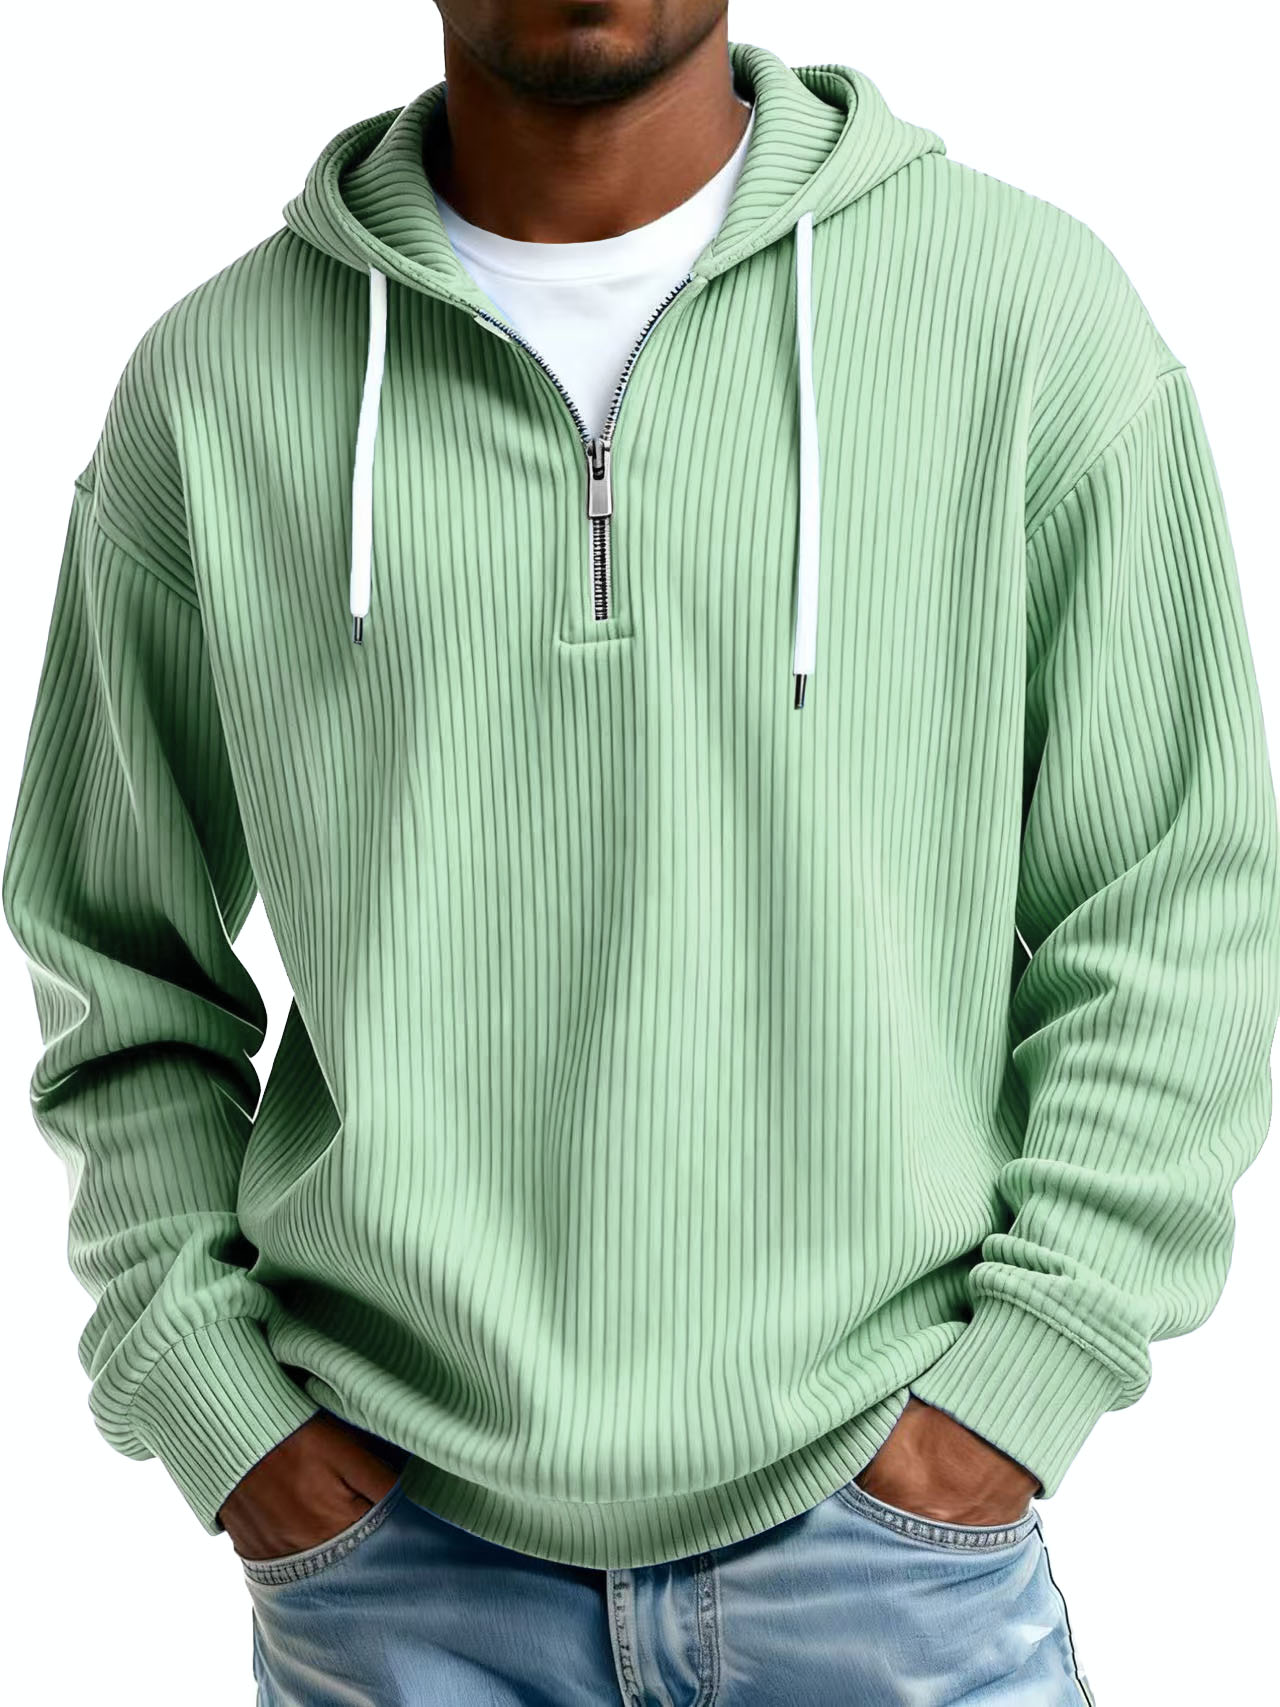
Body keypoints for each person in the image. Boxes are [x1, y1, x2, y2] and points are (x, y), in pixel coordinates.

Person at [5, 4, 1278, 1702]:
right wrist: (224, 1415)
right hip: (400, 1572)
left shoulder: (1023, 319)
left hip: (890, 1550)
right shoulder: (217, 386)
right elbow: (115, 961)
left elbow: (1180, 901)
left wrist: (1019, 1386)